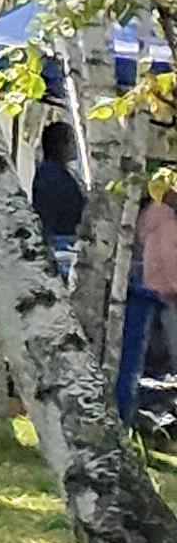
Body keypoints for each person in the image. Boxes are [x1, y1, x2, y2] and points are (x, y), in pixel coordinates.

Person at [120, 169, 177, 421]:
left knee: (148, 347)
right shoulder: (166, 220)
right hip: (167, 289)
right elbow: (168, 257)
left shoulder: (146, 218)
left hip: (147, 286)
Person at [34, 117, 88, 267]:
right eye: (71, 142)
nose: (75, 147)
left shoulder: (56, 172)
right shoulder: (52, 174)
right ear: (58, 145)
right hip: (61, 240)